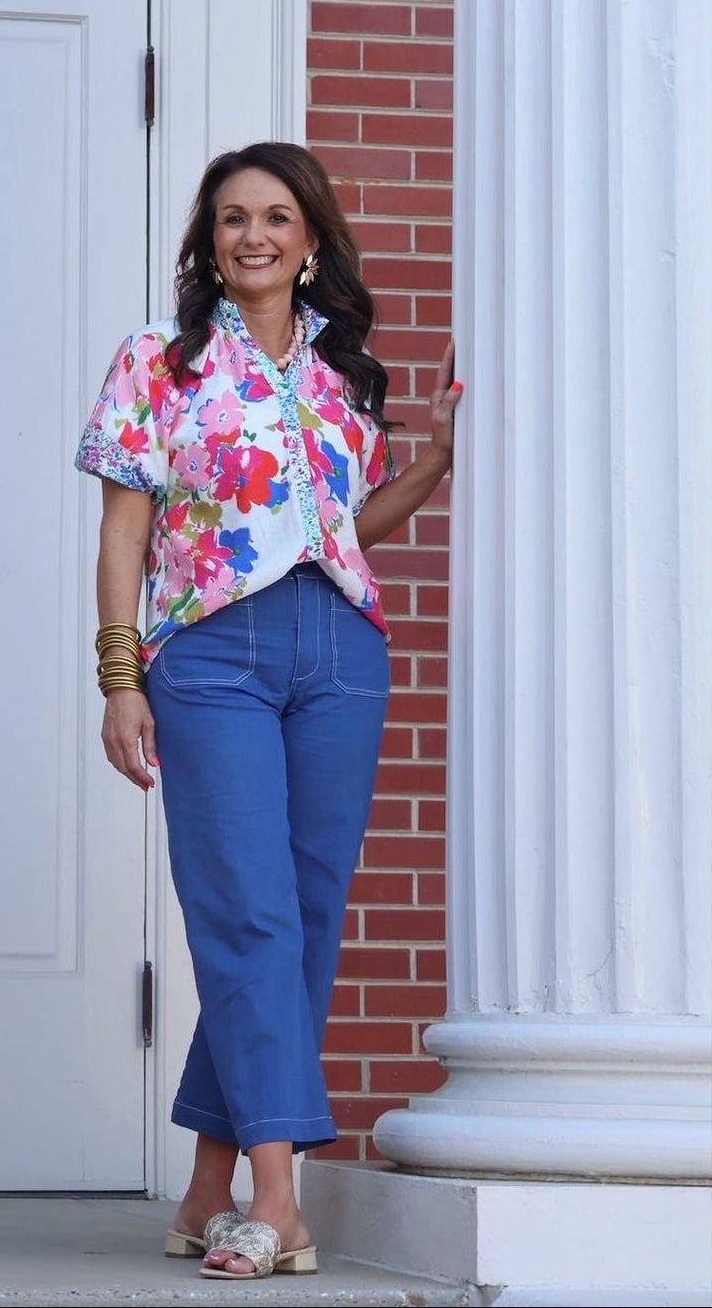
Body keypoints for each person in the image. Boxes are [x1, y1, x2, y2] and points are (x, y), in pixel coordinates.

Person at [73, 141, 462, 1280]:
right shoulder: (159, 359)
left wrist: (433, 463)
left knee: (300, 917)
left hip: (338, 649)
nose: (253, 235)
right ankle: (279, 1200)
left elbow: (345, 526)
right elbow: (123, 532)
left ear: (310, 239)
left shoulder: (344, 374)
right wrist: (118, 676)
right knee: (246, 914)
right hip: (210, 650)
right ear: (209, 240)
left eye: (276, 217)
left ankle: (207, 1187)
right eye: (232, 217)